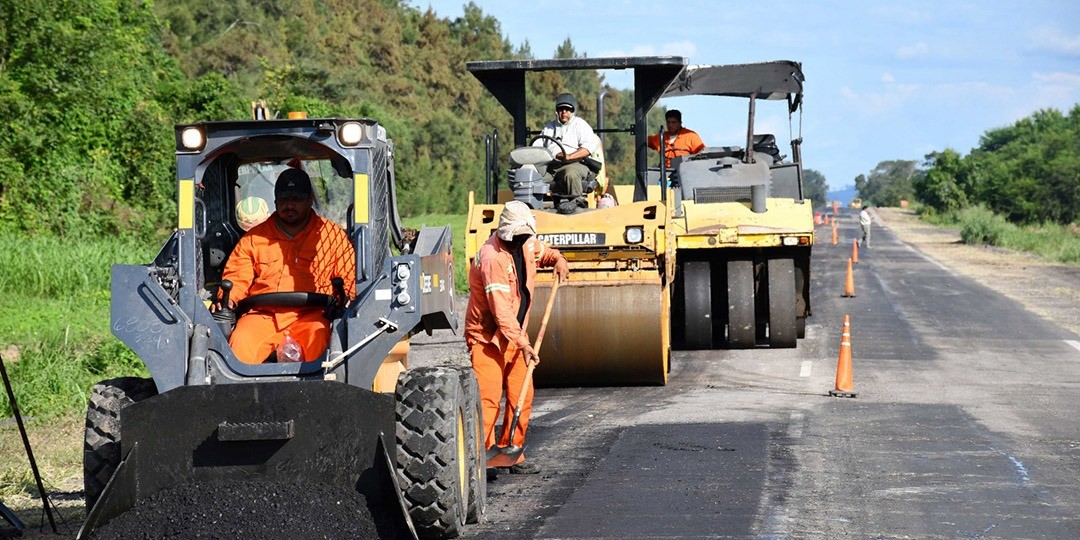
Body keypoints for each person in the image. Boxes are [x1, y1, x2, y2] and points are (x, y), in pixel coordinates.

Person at [465, 201, 570, 475]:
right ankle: (483, 458)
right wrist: (524, 344)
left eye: (526, 235)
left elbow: (544, 252)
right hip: (488, 339)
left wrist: (559, 260)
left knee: (521, 396)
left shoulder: (527, 244)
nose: (523, 240)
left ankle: (513, 452)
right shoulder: (492, 258)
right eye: (519, 236)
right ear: (505, 233)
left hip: (516, 337)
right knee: (488, 400)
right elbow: (501, 312)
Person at [213, 168, 356, 364]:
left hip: (312, 316)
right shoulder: (253, 238)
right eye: (284, 199)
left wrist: (349, 298)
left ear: (310, 199)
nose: (289, 205)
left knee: (323, 347)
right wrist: (228, 299)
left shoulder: (332, 236)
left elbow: (349, 279)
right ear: (275, 201)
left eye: (296, 198)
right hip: (263, 316)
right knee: (240, 345)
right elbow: (236, 278)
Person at [533, 93, 602, 214]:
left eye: (567, 109)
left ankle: (577, 203)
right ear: (557, 111)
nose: (564, 112)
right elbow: (537, 146)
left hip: (576, 164)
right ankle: (532, 208)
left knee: (570, 173)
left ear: (572, 110)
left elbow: (588, 147)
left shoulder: (580, 125)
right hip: (552, 166)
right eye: (561, 109)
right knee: (533, 177)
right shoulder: (549, 127)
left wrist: (568, 156)